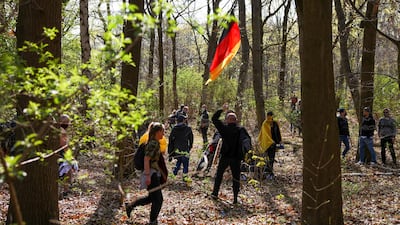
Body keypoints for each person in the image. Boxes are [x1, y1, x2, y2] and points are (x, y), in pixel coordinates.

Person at [126, 123, 165, 224]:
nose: (163, 134)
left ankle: (130, 205)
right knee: (158, 200)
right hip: (151, 174)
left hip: (153, 173)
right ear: (157, 132)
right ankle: (153, 221)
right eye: (162, 131)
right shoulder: (153, 143)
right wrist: (148, 176)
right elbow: (146, 159)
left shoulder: (154, 142)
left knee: (151, 198)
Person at [210, 109, 248, 204]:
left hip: (227, 157)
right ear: (235, 120)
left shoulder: (224, 129)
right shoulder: (241, 130)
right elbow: (246, 141)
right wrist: (246, 154)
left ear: (227, 120)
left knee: (219, 176)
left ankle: (215, 194)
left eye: (231, 118)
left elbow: (214, 119)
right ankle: (235, 198)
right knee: (236, 178)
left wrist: (221, 110)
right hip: (235, 158)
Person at [168, 115, 194, 182]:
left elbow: (170, 140)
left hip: (177, 150)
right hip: (185, 149)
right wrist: (190, 146)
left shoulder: (174, 129)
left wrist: (170, 152)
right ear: (183, 120)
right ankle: (185, 177)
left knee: (179, 161)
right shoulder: (188, 128)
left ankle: (174, 174)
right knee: (185, 163)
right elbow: (191, 139)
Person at [58, 114, 78, 198]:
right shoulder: (61, 131)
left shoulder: (61, 131)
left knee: (68, 169)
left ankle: (67, 189)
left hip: (61, 153)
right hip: (60, 154)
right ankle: (65, 190)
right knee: (67, 168)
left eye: (68, 122)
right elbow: (63, 145)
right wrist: (70, 156)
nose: (67, 124)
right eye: (64, 122)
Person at [258, 111, 282, 179]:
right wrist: (270, 142)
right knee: (266, 159)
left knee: (271, 158)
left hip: (273, 144)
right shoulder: (265, 123)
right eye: (268, 116)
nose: (269, 117)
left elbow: (278, 133)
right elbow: (265, 134)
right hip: (266, 144)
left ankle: (270, 173)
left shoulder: (275, 123)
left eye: (271, 116)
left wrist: (279, 141)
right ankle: (264, 173)